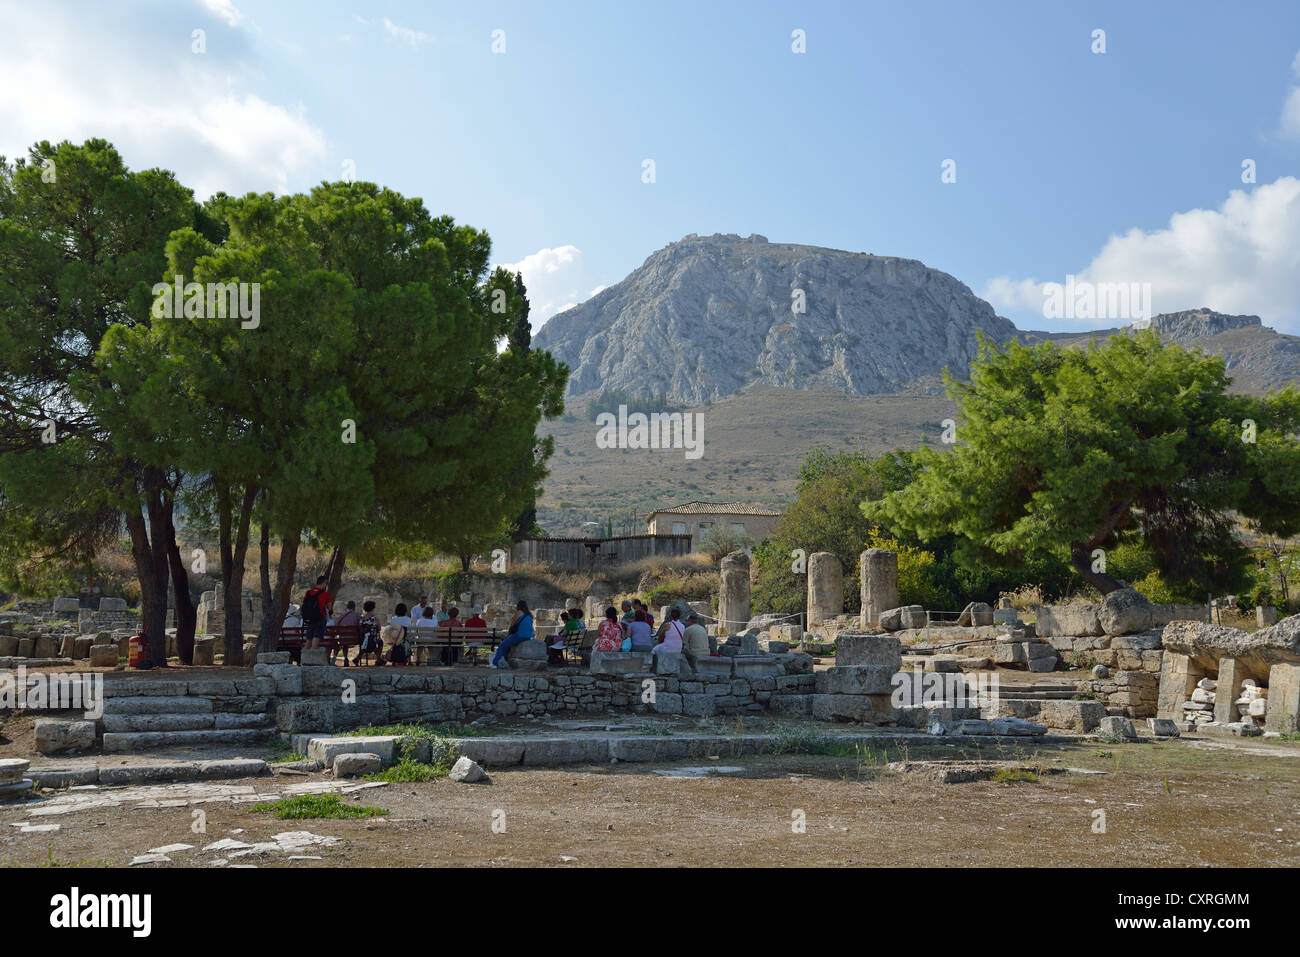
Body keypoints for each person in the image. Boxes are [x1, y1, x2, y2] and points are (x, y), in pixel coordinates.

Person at [490, 600, 534, 668]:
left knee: (502, 645)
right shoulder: (530, 615)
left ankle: (495, 663)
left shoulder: (519, 612)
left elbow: (512, 625)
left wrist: (508, 634)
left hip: (520, 635)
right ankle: (504, 661)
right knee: (507, 645)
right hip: (529, 636)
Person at [300, 576, 332, 651]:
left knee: (309, 640)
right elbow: (330, 608)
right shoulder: (325, 594)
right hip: (320, 619)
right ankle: (313, 659)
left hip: (309, 619)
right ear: (324, 584)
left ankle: (304, 659)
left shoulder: (308, 593)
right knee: (316, 639)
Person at [331, 600, 360, 667]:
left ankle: (345, 658)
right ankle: (357, 659)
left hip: (343, 639)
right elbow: (359, 626)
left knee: (344, 643)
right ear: (354, 607)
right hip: (354, 639)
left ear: (347, 607)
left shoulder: (342, 615)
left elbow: (336, 625)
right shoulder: (356, 615)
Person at [356, 600, 383, 666]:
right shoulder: (375, 618)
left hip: (363, 639)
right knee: (380, 642)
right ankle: (378, 659)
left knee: (368, 642)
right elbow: (379, 629)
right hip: (372, 638)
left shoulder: (361, 617)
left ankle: (357, 658)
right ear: (373, 608)